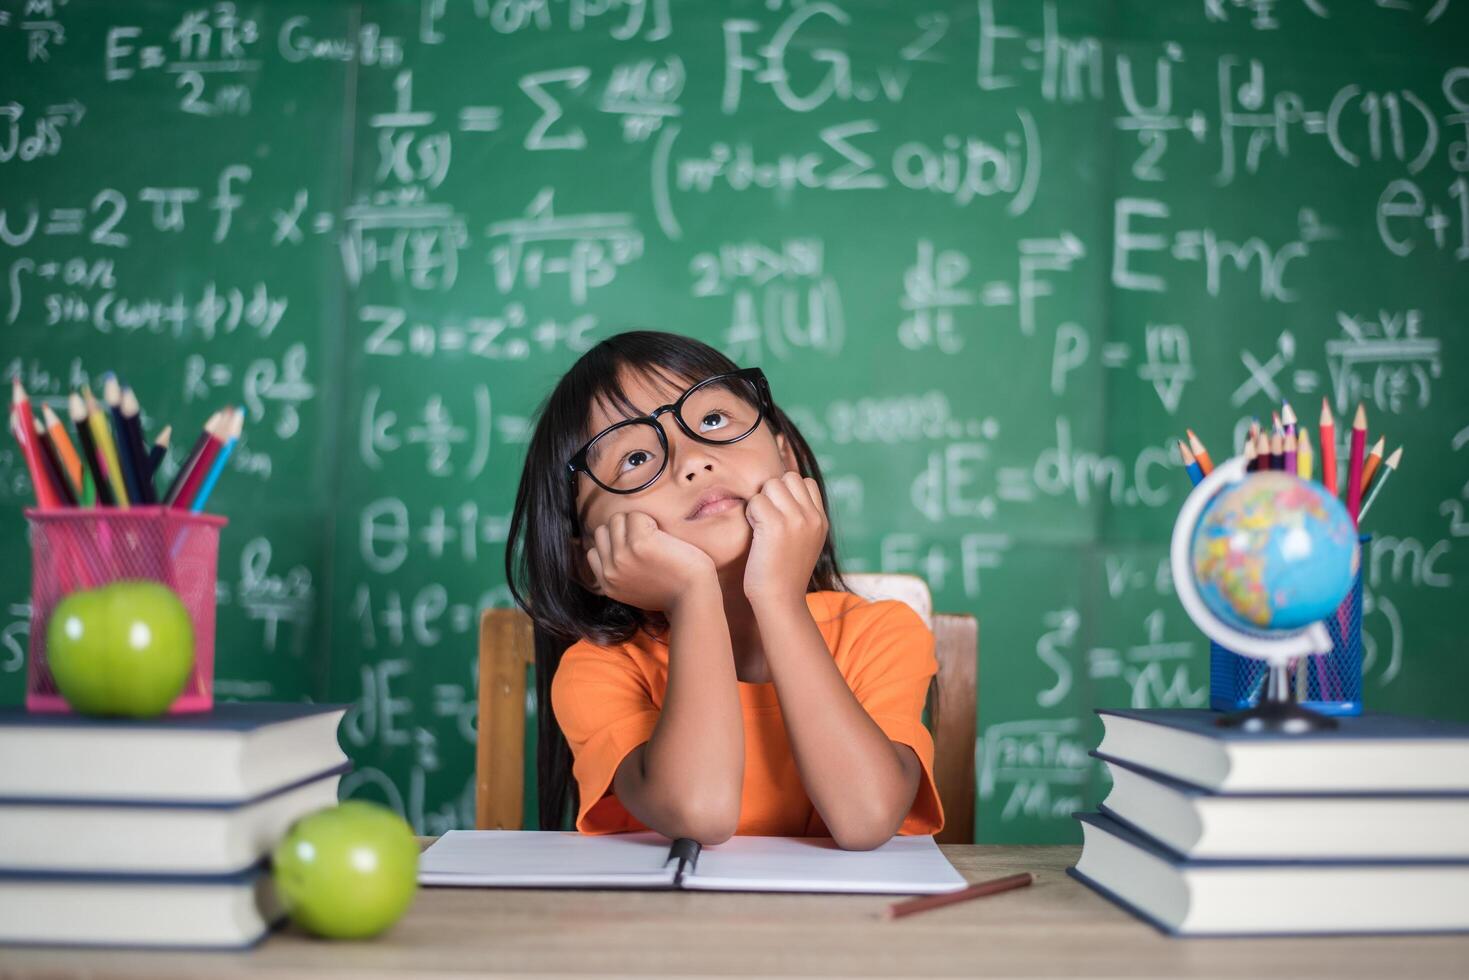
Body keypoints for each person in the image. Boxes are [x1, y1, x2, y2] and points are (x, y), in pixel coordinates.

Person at [505, 330, 944, 848]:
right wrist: (693, 596)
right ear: (587, 558)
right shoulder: (601, 669)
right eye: (635, 458)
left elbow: (867, 816)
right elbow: (701, 811)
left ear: (787, 459)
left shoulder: (882, 632)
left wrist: (778, 598)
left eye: (713, 420)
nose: (692, 461)